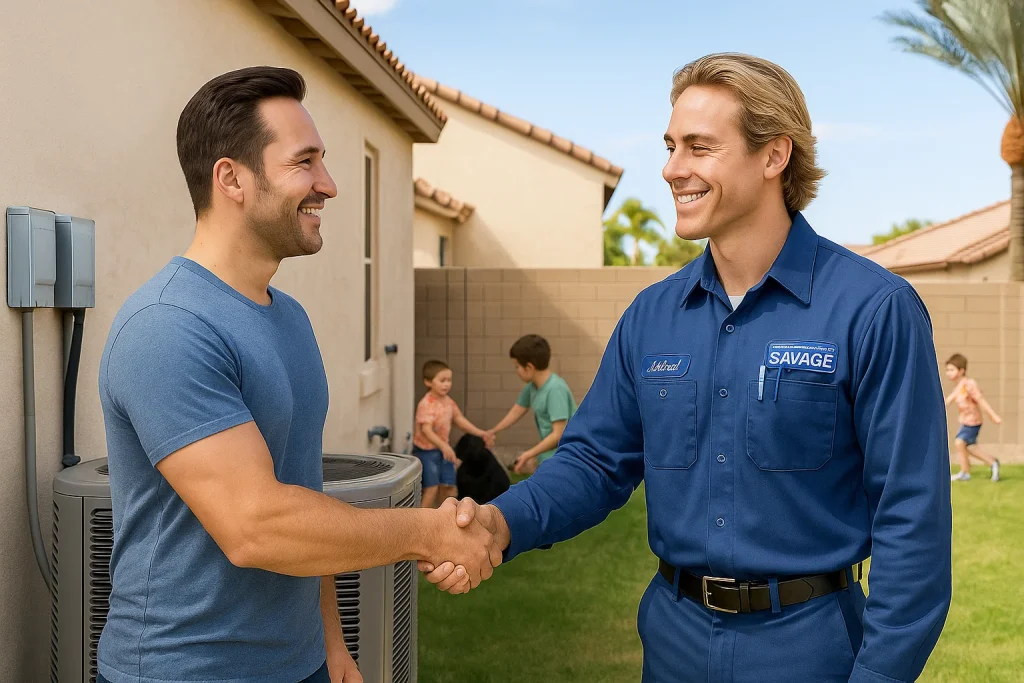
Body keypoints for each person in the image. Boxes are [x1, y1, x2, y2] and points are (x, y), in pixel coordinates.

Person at [421, 53, 952, 683]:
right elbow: (594, 462)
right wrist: (500, 523)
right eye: (671, 147)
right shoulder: (651, 317)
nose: (673, 169)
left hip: (810, 651)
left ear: (773, 155)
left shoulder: (874, 309)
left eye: (699, 147)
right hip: (673, 645)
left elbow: (911, 517)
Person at [96, 67, 500, 683]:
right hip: (184, 669)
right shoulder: (167, 325)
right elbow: (256, 525)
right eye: (304, 162)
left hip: (300, 662)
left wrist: (330, 643)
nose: (328, 185)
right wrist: (428, 531)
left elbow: (300, 493)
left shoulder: (289, 319)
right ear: (231, 178)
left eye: (324, 161)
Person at [488, 335, 578, 474]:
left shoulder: (555, 389)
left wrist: (528, 454)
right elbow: (517, 410)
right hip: (550, 454)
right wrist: (493, 431)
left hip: (567, 456)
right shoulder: (532, 387)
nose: (516, 371)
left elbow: (558, 434)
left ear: (529, 367)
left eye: (517, 366)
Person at [414, 359, 494, 507]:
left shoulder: (448, 401)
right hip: (427, 452)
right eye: (442, 380)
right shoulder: (426, 404)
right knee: (431, 488)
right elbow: (426, 430)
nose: (446, 384)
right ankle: (421, 518)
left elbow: (459, 420)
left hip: (444, 450)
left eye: (449, 380)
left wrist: (481, 433)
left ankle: (445, 516)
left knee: (448, 487)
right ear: (428, 382)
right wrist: (444, 446)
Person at [945, 353, 1002, 482]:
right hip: (965, 421)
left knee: (959, 442)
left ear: (961, 371)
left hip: (972, 422)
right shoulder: (959, 386)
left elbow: (981, 400)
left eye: (951, 370)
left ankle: (965, 473)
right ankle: (992, 462)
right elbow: (949, 400)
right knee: (970, 447)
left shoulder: (969, 384)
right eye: (947, 370)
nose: (948, 373)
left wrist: (993, 416)